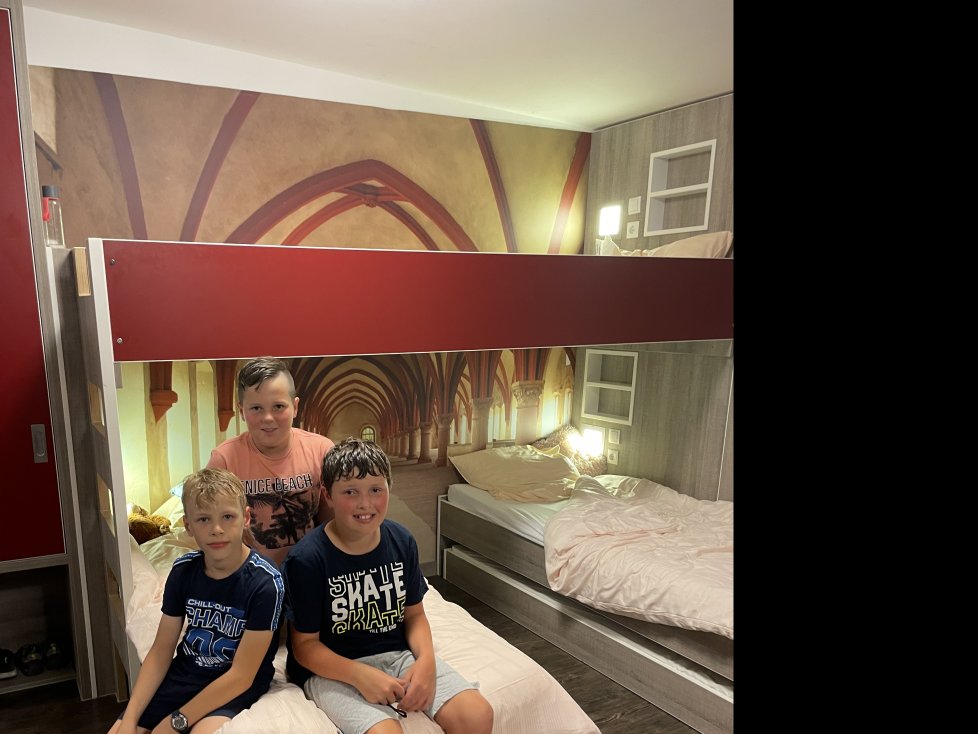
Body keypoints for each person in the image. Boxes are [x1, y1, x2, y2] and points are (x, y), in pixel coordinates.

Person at [281, 438, 494, 734]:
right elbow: (305, 648)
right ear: (327, 495)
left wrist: (426, 662)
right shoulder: (306, 560)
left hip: (396, 655)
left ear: (389, 489)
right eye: (350, 492)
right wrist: (359, 675)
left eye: (376, 490)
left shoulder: (401, 541)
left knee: (477, 714)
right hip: (333, 670)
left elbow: (415, 615)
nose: (365, 503)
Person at [108, 467, 284, 734]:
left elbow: (242, 675)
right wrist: (130, 718)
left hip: (232, 686)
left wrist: (176, 721)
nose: (216, 529)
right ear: (188, 526)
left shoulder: (265, 583)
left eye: (228, 517)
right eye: (203, 519)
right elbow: (161, 651)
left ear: (246, 518)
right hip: (185, 675)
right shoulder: (183, 571)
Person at [207, 357, 334, 567]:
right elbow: (213, 528)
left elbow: (331, 520)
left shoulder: (322, 450)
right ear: (241, 411)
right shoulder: (224, 460)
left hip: (312, 568)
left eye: (278, 406)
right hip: (250, 573)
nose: (267, 417)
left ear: (295, 407)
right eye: (256, 408)